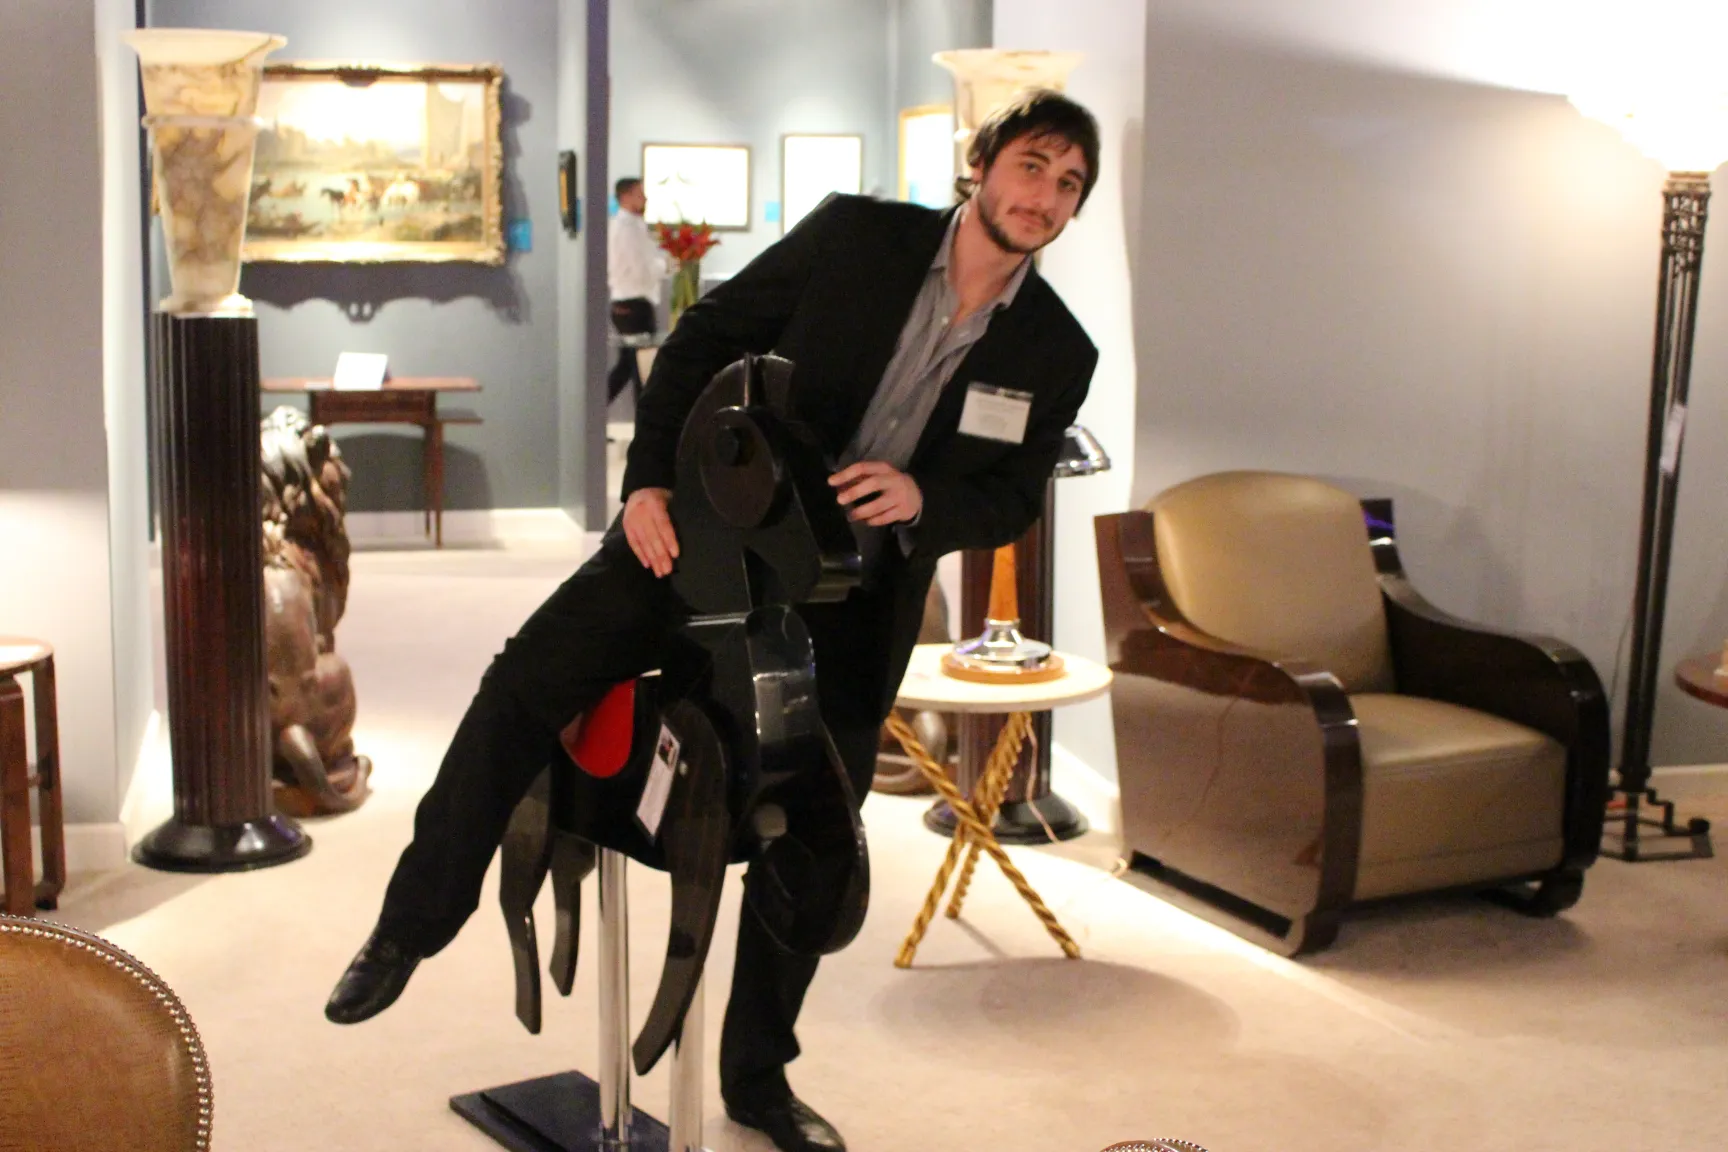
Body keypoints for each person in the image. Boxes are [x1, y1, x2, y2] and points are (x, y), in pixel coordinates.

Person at [325, 89, 1101, 1152]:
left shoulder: (1059, 349)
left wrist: (927, 498)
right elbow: (703, 337)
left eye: (1069, 184)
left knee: (813, 831)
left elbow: (1012, 496)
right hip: (702, 532)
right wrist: (646, 480)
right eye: (1032, 166)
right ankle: (410, 927)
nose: (1044, 196)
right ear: (983, 164)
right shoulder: (858, 237)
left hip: (854, 602)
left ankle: (760, 1080)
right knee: (525, 682)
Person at [607, 176, 671, 405]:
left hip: (629, 301)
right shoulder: (626, 228)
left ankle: (598, 408)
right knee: (640, 368)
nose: (644, 198)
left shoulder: (631, 225)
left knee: (630, 366)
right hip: (633, 303)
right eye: (639, 193)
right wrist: (667, 265)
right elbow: (640, 268)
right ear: (625, 196)